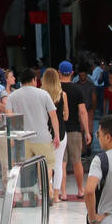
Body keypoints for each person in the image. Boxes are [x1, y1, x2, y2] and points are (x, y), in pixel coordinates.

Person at [4, 68, 60, 182]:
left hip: (22, 138)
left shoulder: (13, 96)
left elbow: (9, 116)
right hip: (42, 137)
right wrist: (57, 135)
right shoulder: (43, 94)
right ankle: (44, 189)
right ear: (34, 80)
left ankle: (25, 193)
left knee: (23, 168)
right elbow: (53, 116)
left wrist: (12, 137)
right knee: (47, 164)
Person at [58, 60, 91, 200]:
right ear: (72, 73)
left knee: (62, 163)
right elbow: (82, 112)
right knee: (77, 161)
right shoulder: (78, 89)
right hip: (75, 130)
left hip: (58, 131)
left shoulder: (55, 89)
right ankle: (80, 190)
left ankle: (63, 192)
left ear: (59, 72)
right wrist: (87, 132)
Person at [41, 67, 69, 203]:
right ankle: (57, 195)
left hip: (45, 132)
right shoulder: (62, 94)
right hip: (61, 132)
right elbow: (66, 116)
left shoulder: (41, 94)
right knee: (58, 164)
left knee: (46, 164)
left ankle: (48, 191)